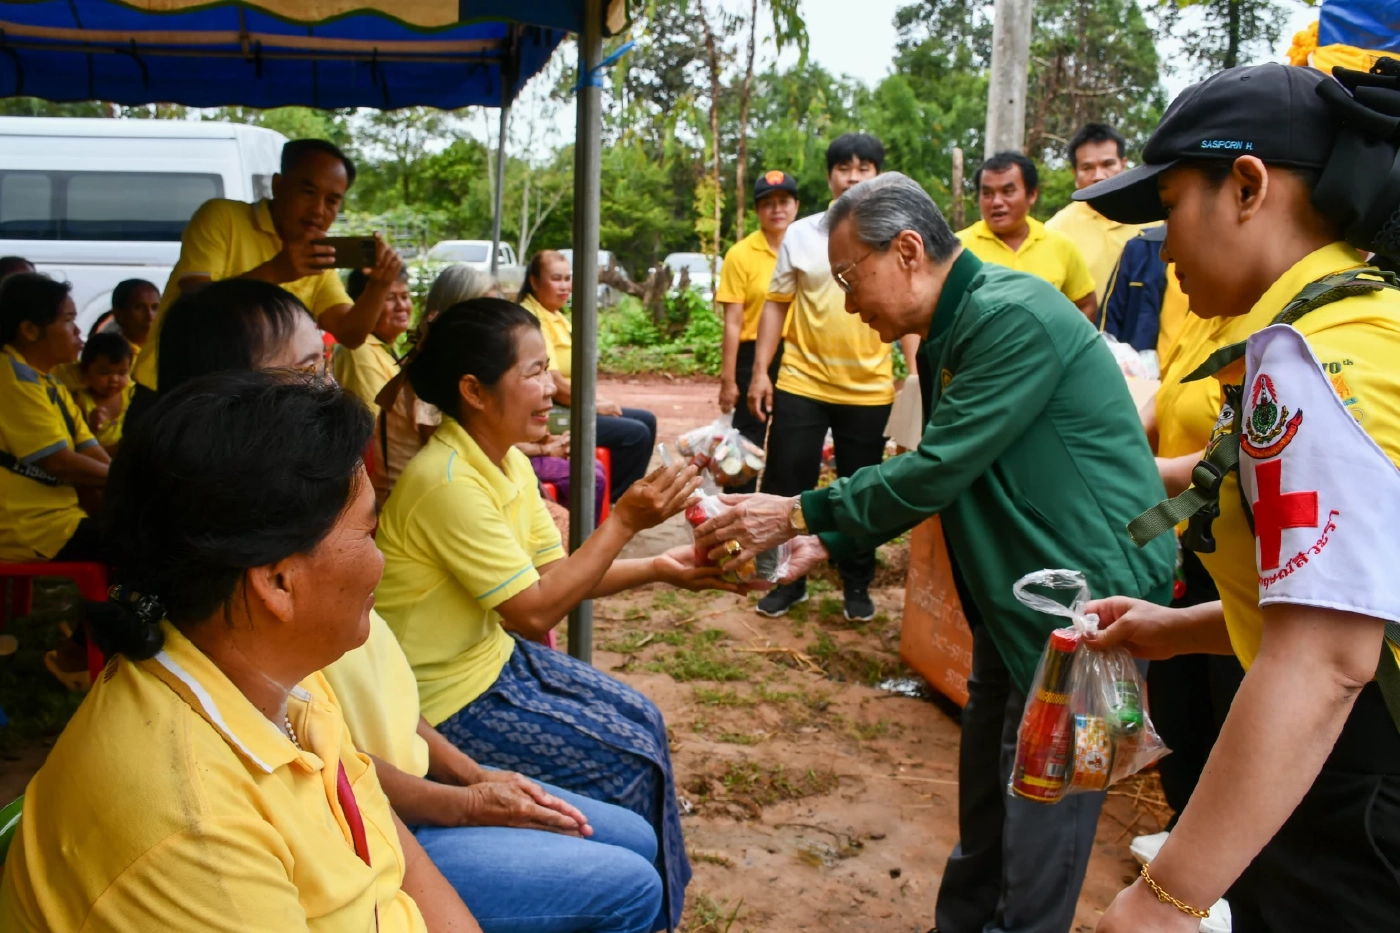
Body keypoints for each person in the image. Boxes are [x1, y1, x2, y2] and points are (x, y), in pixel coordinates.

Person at [697, 173, 1174, 933]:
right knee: (987, 793)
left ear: (908, 251)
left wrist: (795, 512)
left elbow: (938, 467)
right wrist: (825, 537)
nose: (849, 302)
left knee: (1042, 810)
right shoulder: (952, 329)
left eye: (850, 278)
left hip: (1084, 601)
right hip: (1013, 589)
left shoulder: (1012, 317)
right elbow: (947, 473)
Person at [1074, 61, 1400, 932]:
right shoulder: (1344, 328)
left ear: (1248, 186)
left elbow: (1327, 659)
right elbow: (1349, 593)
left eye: (1171, 206)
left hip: (1360, 791)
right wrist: (1177, 629)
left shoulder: (1317, 364)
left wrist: (1168, 897)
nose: (1163, 249)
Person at [0, 371, 477, 932]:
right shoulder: (194, 829)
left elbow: (387, 854)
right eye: (369, 534)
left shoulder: (271, 671)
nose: (382, 562)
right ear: (277, 582)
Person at [375, 298, 727, 931]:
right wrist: (624, 523)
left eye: (548, 370)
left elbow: (552, 576)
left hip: (495, 665)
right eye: (534, 372)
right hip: (447, 701)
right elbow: (534, 612)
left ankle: (647, 904)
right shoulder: (447, 481)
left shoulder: (505, 459)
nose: (551, 389)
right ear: (474, 391)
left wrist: (658, 566)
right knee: (627, 764)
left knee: (643, 722)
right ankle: (622, 903)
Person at [323, 610, 665, 933]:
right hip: (380, 826)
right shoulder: (308, 653)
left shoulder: (352, 605)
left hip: (424, 776)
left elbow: (396, 705)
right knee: (635, 888)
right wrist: (467, 805)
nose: (380, 569)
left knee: (638, 836)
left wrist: (474, 777)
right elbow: (534, 611)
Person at [748, 132, 918, 623]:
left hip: (869, 390)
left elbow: (910, 308)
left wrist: (914, 375)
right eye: (844, 168)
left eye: (864, 168)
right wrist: (761, 372)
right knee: (786, 482)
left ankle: (856, 583)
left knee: (861, 490)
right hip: (801, 382)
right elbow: (776, 306)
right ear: (829, 177)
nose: (853, 177)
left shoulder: (898, 235)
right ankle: (783, 579)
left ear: (880, 176)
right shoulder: (802, 234)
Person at [128, 138, 403, 405]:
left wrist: (379, 285)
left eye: (332, 201)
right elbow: (195, 301)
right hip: (171, 395)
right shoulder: (222, 216)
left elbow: (351, 334)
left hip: (239, 405)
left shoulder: (316, 257)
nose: (318, 210)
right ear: (278, 186)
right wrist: (277, 270)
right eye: (308, 192)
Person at [517, 250, 658, 500]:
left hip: (571, 404)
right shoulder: (532, 318)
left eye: (567, 278)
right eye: (556, 279)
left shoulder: (556, 315)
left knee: (647, 420)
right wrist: (594, 406)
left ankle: (613, 498)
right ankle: (614, 501)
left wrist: (599, 401)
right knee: (635, 434)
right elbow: (554, 383)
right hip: (551, 410)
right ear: (535, 282)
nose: (564, 286)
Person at [0, 274, 108, 565]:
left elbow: (89, 448)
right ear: (30, 330)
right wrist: (130, 481)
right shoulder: (11, 379)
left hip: (59, 519)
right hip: (29, 527)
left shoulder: (48, 382)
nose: (78, 331)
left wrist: (129, 480)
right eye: (68, 320)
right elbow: (58, 462)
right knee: (153, 545)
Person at [715, 169, 799, 491]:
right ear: (756, 210)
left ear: (796, 205)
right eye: (768, 203)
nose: (777, 209)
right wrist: (728, 380)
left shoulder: (808, 249)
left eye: (784, 201)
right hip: (752, 356)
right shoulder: (740, 254)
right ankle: (736, 513)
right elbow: (733, 322)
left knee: (789, 439)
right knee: (746, 443)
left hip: (797, 355)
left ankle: (775, 512)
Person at [333, 267, 442, 506]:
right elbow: (375, 427)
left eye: (405, 296)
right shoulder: (359, 351)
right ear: (365, 304)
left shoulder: (384, 347)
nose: (402, 306)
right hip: (382, 490)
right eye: (390, 298)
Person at [958, 151, 1098, 323]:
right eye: (987, 193)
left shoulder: (1061, 245)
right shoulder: (958, 249)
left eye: (1008, 192)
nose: (996, 202)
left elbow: (1086, 304)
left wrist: (1068, 339)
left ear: (1032, 195)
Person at [1046, 123, 1147, 307]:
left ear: (1123, 165)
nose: (1099, 176)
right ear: (1075, 174)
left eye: (1108, 164)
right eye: (1087, 168)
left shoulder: (1154, 219)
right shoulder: (1055, 230)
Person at [1099, 225, 1192, 356]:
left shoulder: (1216, 259)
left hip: (1194, 364)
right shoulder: (1142, 247)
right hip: (1140, 364)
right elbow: (1109, 321)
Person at [72, 331, 134, 456]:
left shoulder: (132, 393)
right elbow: (78, 446)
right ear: (85, 372)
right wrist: (91, 427)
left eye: (122, 373)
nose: (114, 379)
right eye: (105, 373)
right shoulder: (80, 401)